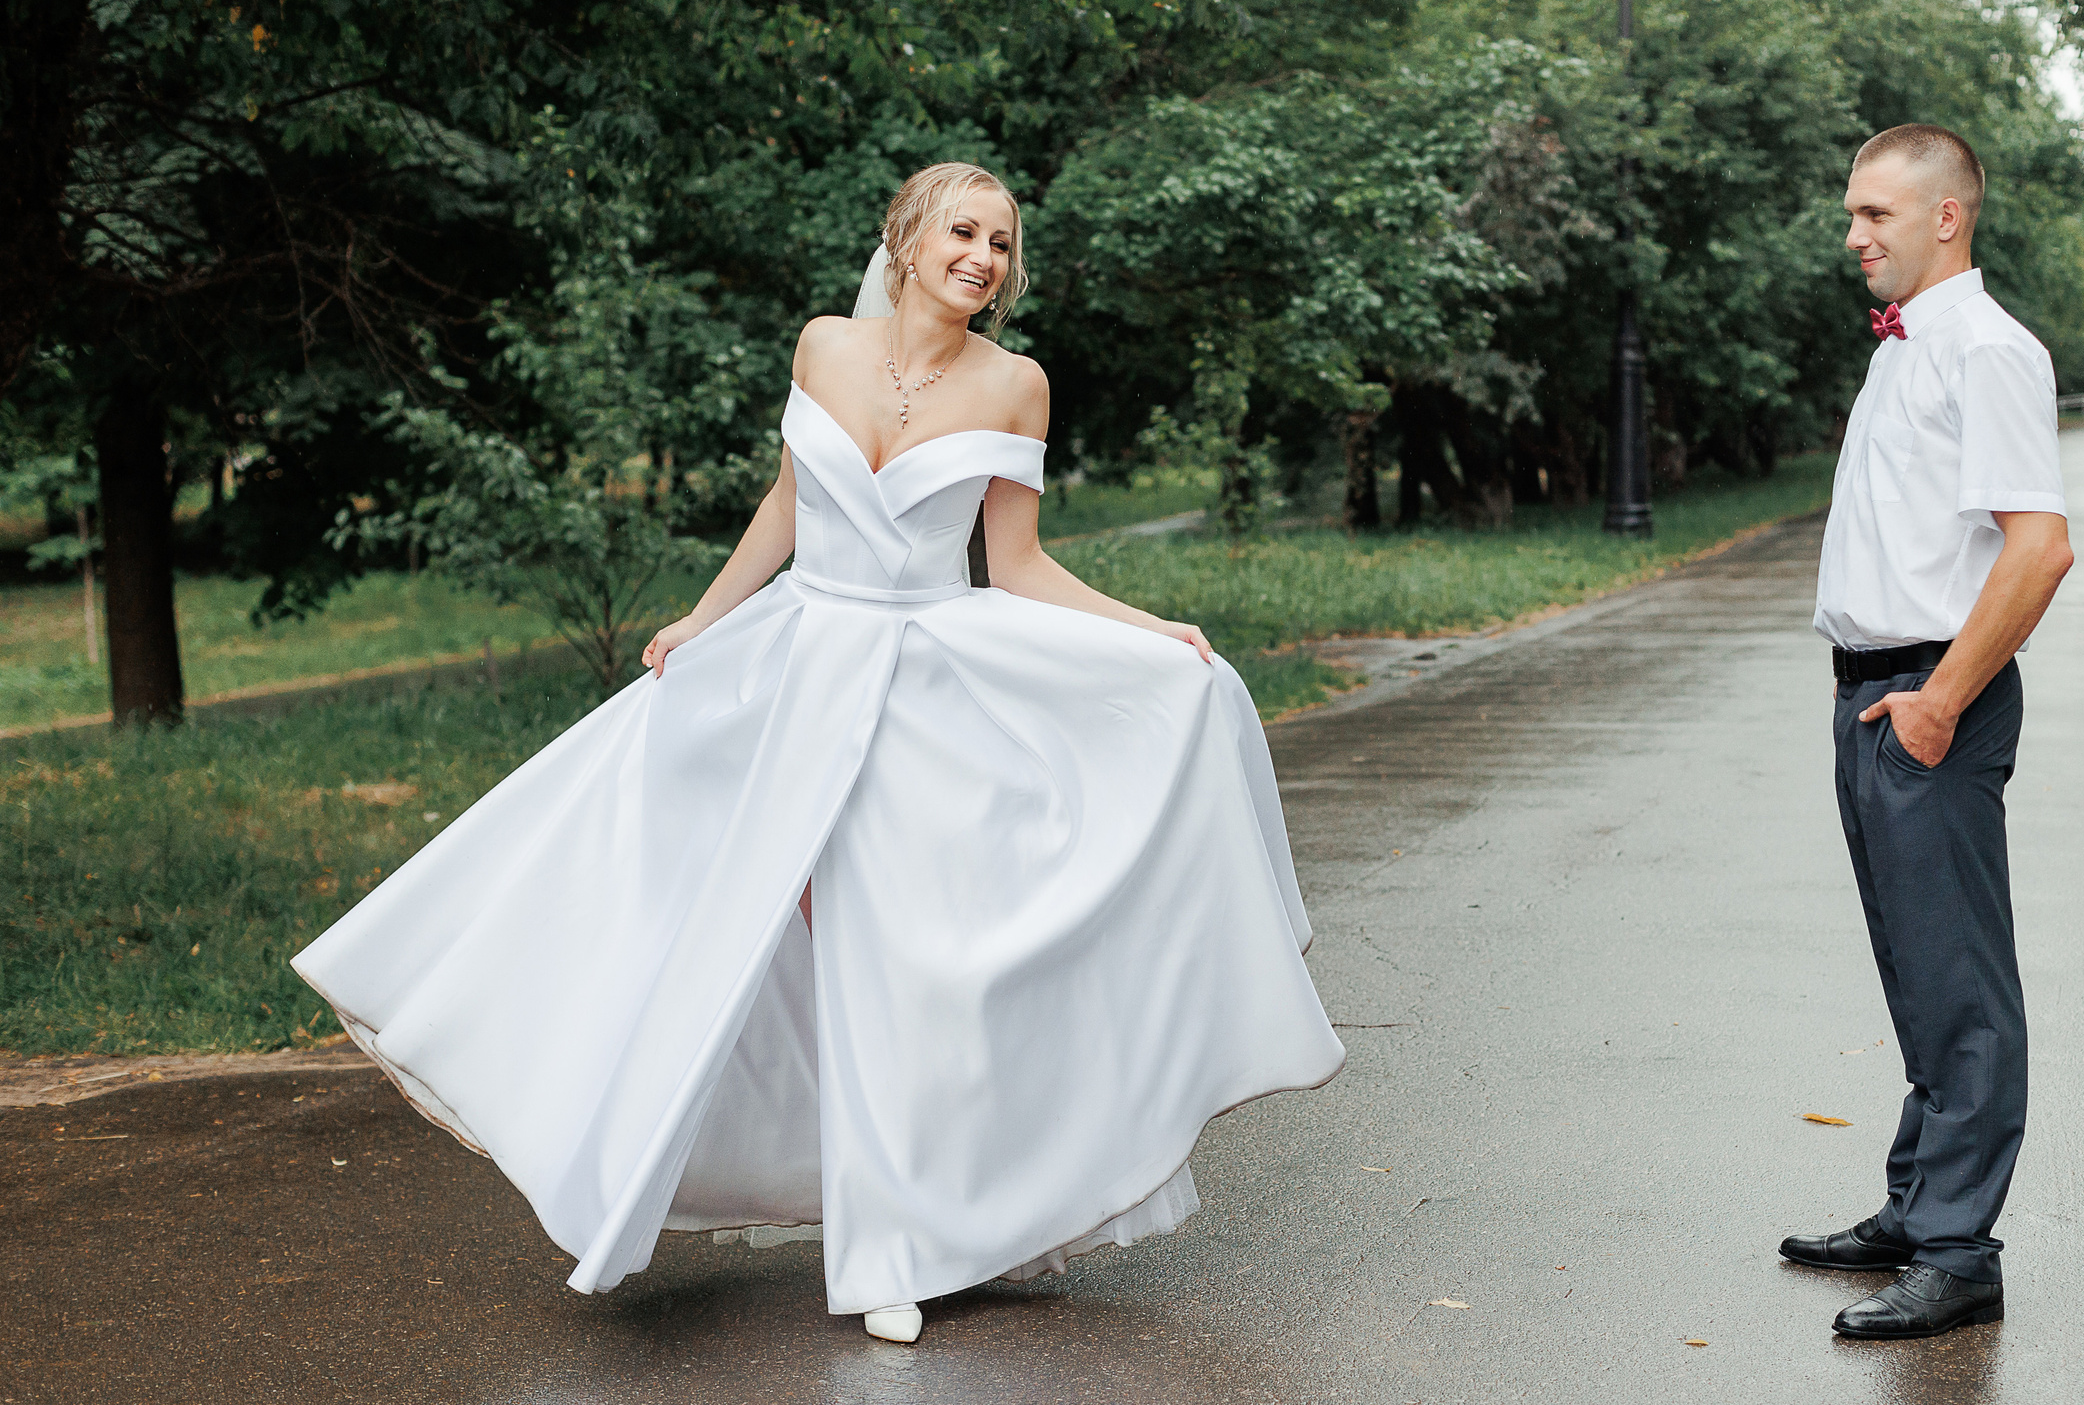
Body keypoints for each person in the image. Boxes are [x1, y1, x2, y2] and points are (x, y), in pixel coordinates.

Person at [293, 161, 1345, 1345]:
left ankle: (903, 1244)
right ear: (907, 237)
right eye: (963, 232)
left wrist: (1156, 636)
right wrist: (705, 620)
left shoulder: (1016, 385)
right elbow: (787, 506)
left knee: (904, 966)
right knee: (714, 920)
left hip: (929, 693)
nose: (983, 259)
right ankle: (614, 1154)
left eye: (1002, 245)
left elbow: (1021, 564)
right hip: (800, 669)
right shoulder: (824, 348)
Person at [1783, 124, 2075, 1339]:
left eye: (1875, 216)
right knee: (1914, 961)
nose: (1852, 235)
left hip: (1928, 696)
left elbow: (2039, 546)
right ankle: (1915, 1206)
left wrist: (1941, 701)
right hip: (1875, 688)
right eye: (1853, 214)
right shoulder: (1905, 345)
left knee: (1959, 981)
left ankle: (1959, 1251)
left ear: (1946, 215)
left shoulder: (1988, 352)